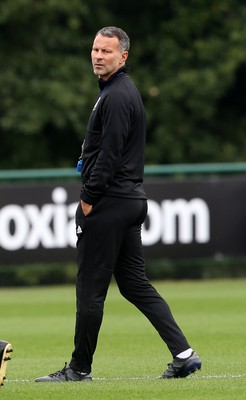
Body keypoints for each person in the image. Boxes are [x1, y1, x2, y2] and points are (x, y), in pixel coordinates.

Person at [35, 26, 201, 382]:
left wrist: (88, 199)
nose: (98, 55)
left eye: (106, 51)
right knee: (135, 285)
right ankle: (184, 354)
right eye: (95, 49)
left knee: (90, 291)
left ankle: (79, 368)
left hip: (109, 202)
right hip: (129, 200)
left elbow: (109, 155)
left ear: (122, 57)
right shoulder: (120, 92)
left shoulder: (115, 95)